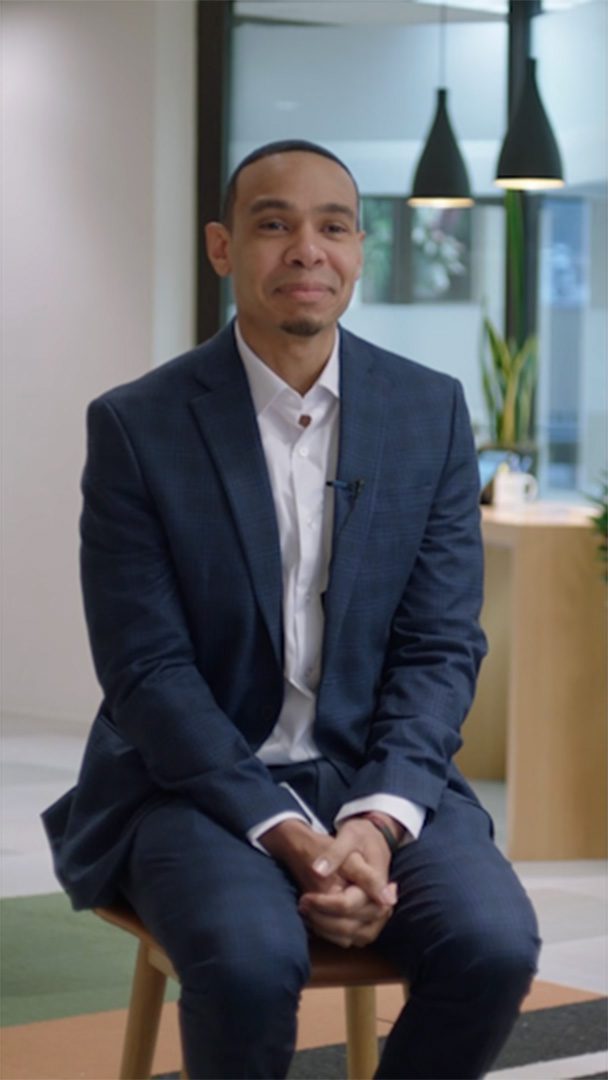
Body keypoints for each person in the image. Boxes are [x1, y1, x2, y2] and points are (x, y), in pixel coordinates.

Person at [43, 139, 540, 1080]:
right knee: (247, 958)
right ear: (224, 248)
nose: (306, 249)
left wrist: (373, 825)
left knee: (493, 945)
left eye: (334, 227)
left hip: (378, 779)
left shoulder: (428, 410)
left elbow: (439, 645)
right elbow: (146, 670)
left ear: (360, 250)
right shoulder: (137, 426)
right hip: (195, 787)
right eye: (274, 224)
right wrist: (287, 834)